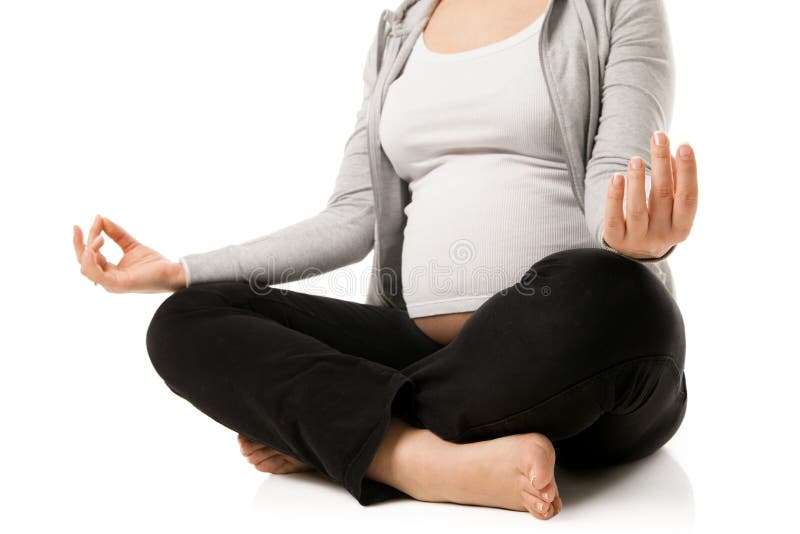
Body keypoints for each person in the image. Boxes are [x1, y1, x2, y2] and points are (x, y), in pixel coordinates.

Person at [73, 0, 697, 520]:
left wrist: (640, 243)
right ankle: (413, 459)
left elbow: (618, 184)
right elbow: (350, 216)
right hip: (428, 354)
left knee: (613, 290)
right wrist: (181, 270)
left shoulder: (615, 6)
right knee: (188, 318)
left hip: (578, 360)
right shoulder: (401, 27)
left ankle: (347, 429)